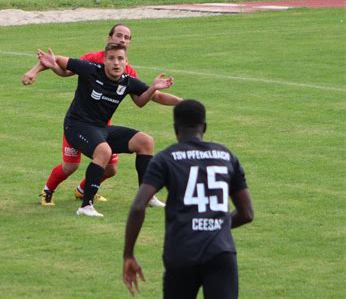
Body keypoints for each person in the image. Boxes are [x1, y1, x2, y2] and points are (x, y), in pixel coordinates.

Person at [22, 24, 181, 207]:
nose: (122, 40)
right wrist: (34, 71)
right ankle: (48, 191)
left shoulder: (127, 72)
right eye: (119, 35)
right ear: (109, 38)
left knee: (112, 168)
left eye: (126, 37)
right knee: (70, 166)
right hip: (79, 123)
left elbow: (145, 99)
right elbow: (64, 70)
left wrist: (180, 101)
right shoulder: (92, 62)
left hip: (102, 125)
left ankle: (84, 190)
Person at [123, 99, 254, 298]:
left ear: (176, 128)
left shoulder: (165, 158)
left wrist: (129, 254)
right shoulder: (226, 156)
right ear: (205, 127)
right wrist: (217, 224)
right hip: (221, 253)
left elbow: (138, 206)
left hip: (181, 252)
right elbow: (247, 214)